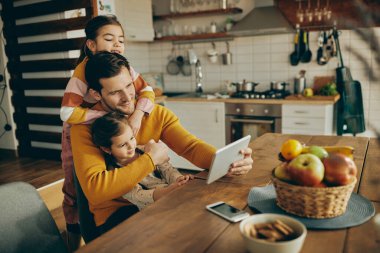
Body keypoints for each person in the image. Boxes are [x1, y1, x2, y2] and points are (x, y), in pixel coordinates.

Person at [70, 51, 253, 233]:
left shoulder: (155, 114)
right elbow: (96, 189)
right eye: (116, 92)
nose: (128, 97)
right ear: (96, 94)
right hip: (117, 214)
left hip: (164, 197)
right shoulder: (84, 127)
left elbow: (190, 147)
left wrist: (228, 162)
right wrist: (151, 159)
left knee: (212, 224)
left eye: (129, 85)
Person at [59, 15, 155, 248]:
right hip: (77, 132)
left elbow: (149, 91)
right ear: (91, 45)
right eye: (109, 39)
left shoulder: (124, 66)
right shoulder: (81, 73)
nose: (117, 44)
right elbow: (67, 113)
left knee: (113, 172)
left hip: (108, 128)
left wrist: (136, 115)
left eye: (121, 39)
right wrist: (102, 114)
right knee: (76, 188)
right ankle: (73, 241)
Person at [91, 112, 194, 213]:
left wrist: (179, 180)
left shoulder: (146, 149)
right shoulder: (115, 174)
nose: (131, 146)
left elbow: (167, 169)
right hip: (153, 210)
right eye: (122, 145)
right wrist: (170, 189)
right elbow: (138, 196)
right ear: (106, 149)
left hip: (175, 195)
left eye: (131, 138)